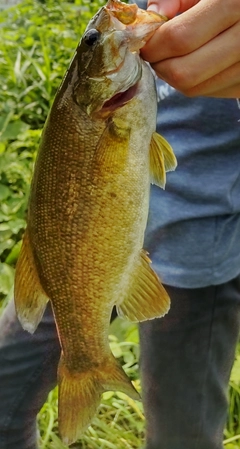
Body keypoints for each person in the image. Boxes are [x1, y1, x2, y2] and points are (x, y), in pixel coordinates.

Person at [0, 0, 240, 448]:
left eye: (94, 40)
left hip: (201, 242)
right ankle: (86, 360)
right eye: (94, 41)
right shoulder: (113, 81)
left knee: (181, 437)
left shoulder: (111, 99)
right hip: (69, 257)